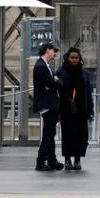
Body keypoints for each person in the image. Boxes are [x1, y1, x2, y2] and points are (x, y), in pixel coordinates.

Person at [56, 47, 94, 171]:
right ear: (67, 58)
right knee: (67, 134)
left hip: (81, 109)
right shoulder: (61, 72)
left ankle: (77, 159)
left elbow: (88, 92)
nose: (74, 60)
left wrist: (90, 109)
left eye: (76, 58)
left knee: (81, 135)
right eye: (72, 57)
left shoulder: (84, 73)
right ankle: (67, 159)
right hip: (66, 108)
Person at [32, 42, 64, 171]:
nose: (54, 53)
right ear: (47, 50)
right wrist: (56, 82)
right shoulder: (41, 66)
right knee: (48, 134)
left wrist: (55, 82)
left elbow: (52, 83)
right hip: (47, 103)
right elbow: (52, 83)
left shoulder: (45, 65)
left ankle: (50, 160)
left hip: (50, 102)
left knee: (50, 133)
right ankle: (41, 161)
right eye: (53, 50)